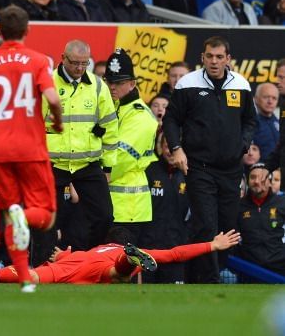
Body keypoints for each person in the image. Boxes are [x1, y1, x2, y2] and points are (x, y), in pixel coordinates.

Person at [0, 5, 63, 292]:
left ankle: (25, 279)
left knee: (9, 210)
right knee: (45, 215)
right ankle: (25, 221)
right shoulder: (38, 60)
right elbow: (53, 99)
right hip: (30, 147)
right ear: (28, 30)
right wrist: (57, 121)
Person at [163, 36, 256, 283]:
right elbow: (170, 120)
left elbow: (250, 121)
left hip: (231, 169)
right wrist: (176, 148)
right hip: (199, 168)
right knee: (206, 224)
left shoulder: (242, 85)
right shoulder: (187, 84)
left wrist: (243, 144)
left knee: (227, 227)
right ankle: (210, 281)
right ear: (202, 58)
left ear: (228, 59)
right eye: (209, 57)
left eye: (219, 57)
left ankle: (195, 277)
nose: (214, 62)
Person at [0, 229, 241, 284]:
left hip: (74, 264)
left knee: (30, 276)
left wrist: (63, 255)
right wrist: (212, 245)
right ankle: (130, 261)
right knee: (117, 277)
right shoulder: (113, 251)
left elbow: (65, 255)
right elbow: (176, 254)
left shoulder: (91, 249)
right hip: (104, 268)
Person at [46, 40, 118, 251]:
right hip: (53, 164)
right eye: (75, 63)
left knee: (104, 215)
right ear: (63, 58)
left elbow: (110, 127)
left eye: (84, 63)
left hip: (87, 164)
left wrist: (107, 167)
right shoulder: (46, 83)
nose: (79, 68)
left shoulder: (97, 86)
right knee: (47, 220)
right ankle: (44, 267)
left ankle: (89, 260)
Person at [104, 48, 158, 245]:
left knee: (124, 270)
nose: (112, 87)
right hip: (110, 204)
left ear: (132, 83)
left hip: (129, 209)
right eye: (109, 81)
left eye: (118, 83)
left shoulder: (140, 115)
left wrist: (93, 179)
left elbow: (121, 158)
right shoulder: (114, 107)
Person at [143, 131, 189, 283]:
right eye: (166, 147)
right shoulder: (149, 171)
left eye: (174, 148)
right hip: (149, 248)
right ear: (160, 148)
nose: (170, 151)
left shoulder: (190, 175)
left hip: (176, 249)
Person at [237, 163, 285, 275]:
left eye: (262, 178)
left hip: (280, 267)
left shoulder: (282, 203)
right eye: (253, 177)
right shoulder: (238, 206)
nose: (257, 181)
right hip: (249, 268)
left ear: (269, 182)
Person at [252, 83, 279, 162]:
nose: (270, 101)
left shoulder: (279, 122)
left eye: (274, 98)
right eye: (266, 97)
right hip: (259, 171)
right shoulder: (248, 123)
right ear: (256, 99)